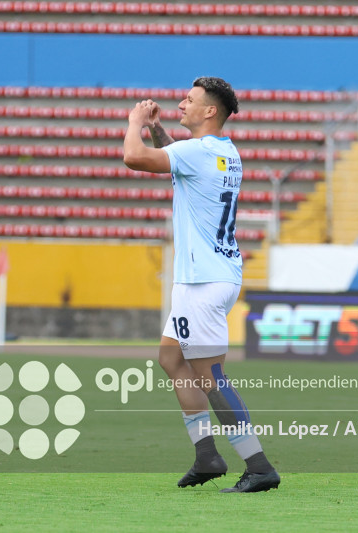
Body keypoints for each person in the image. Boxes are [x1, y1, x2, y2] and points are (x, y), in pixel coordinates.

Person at [123, 77, 280, 493]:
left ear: (210, 111)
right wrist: (159, 130)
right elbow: (176, 156)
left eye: (189, 101)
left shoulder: (197, 152)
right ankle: (207, 456)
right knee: (171, 359)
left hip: (202, 279)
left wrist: (135, 121)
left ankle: (259, 465)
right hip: (215, 274)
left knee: (210, 376)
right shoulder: (224, 152)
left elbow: (134, 158)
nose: (180, 104)